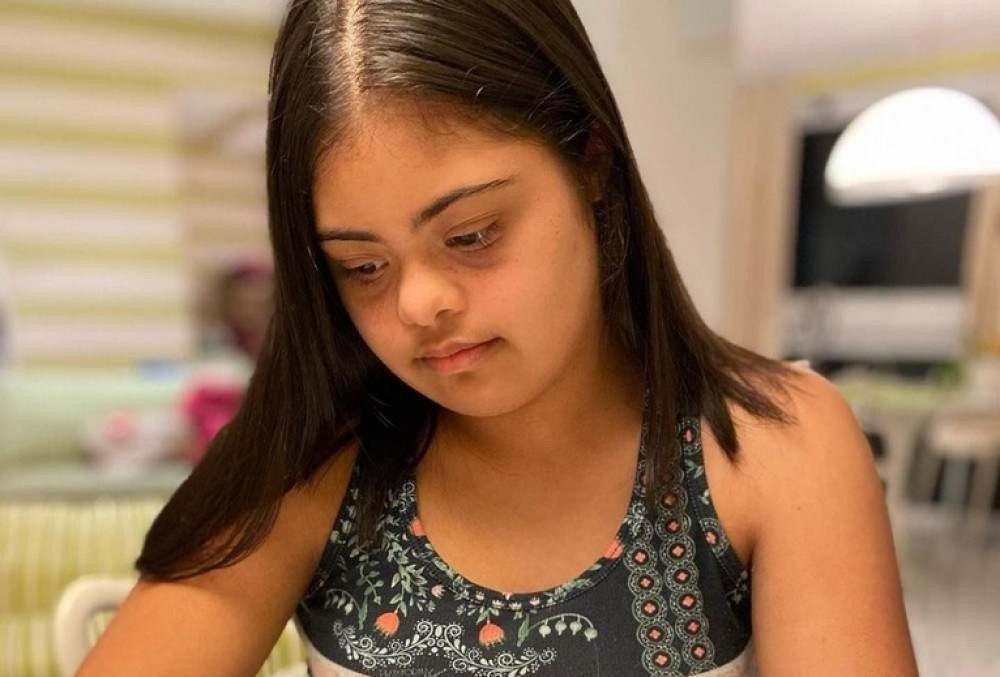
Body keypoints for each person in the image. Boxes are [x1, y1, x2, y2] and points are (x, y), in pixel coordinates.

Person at [78, 1, 918, 675]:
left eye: (472, 234)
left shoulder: (780, 446)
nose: (419, 303)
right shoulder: (315, 461)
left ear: (592, 162)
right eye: (363, 267)